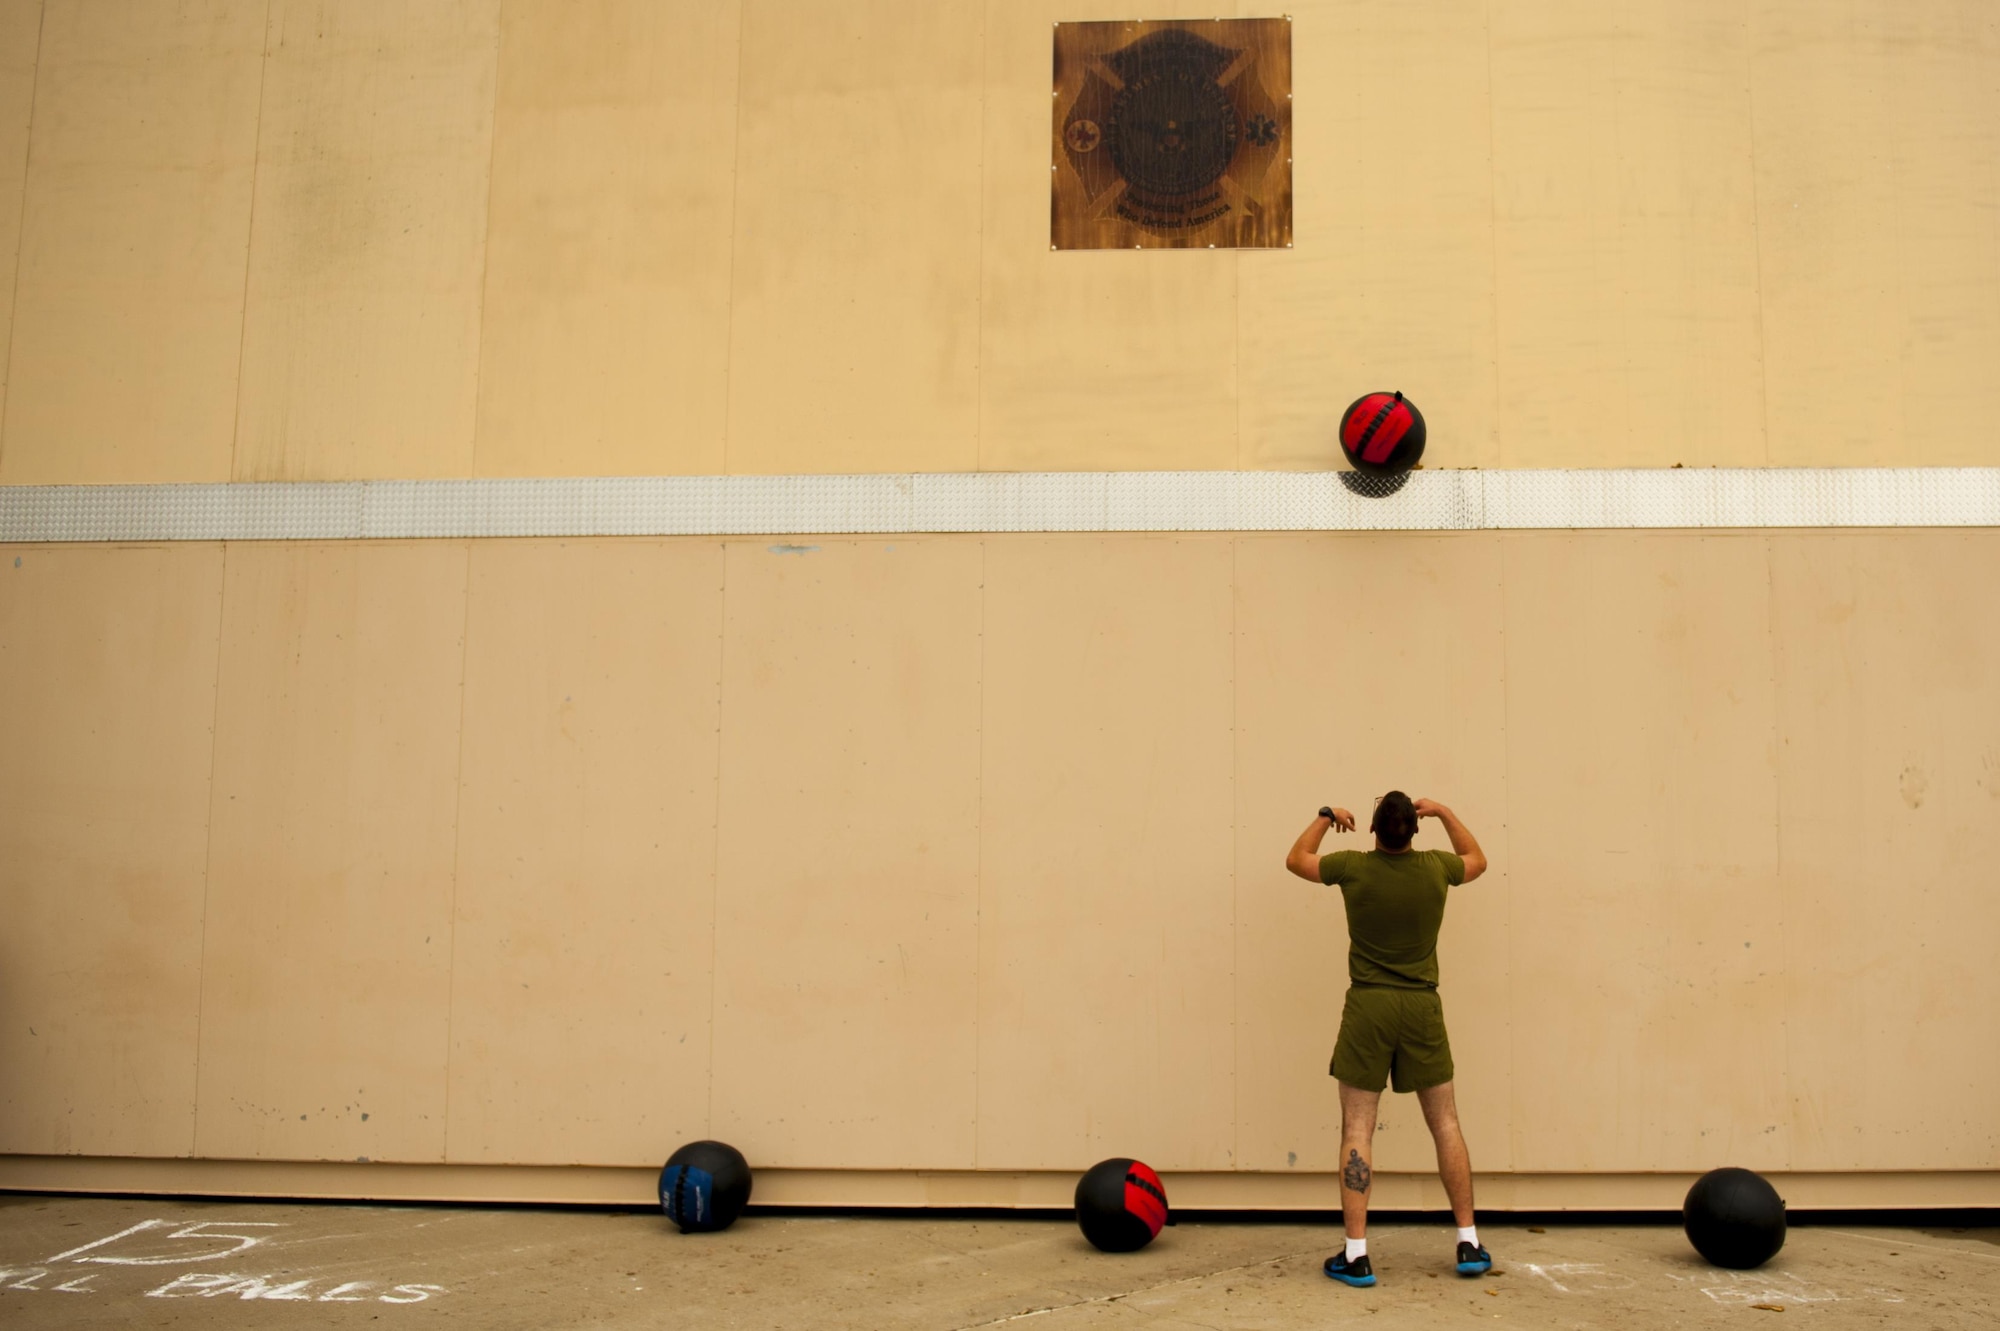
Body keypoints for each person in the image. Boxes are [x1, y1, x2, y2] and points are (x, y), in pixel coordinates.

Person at [1283, 791, 1490, 1288]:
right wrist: (1441, 811)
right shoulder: (1437, 868)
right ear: (1414, 830)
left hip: (1369, 1008)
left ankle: (1357, 1255)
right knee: (1445, 1124)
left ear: (1373, 830)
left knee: (1358, 1129)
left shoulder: (1353, 867)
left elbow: (1296, 861)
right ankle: (1469, 1242)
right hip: (1421, 1007)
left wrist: (1326, 815)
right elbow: (1477, 860)